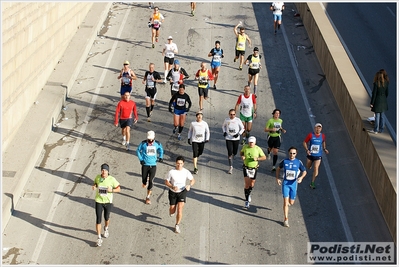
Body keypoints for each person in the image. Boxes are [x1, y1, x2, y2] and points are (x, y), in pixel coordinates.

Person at [276, 146, 307, 227]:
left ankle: (289, 203)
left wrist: (301, 178)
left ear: (296, 154)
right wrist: (277, 178)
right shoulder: (284, 161)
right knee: (285, 202)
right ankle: (286, 219)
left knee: (291, 202)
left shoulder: (298, 162)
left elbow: (304, 171)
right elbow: (278, 168)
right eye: (290, 153)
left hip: (293, 184)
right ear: (288, 153)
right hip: (285, 183)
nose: (292, 155)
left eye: (294, 153)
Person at [92, 163, 121, 247]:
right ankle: (99, 238)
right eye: (102, 170)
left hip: (108, 202)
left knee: (106, 217)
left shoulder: (112, 179)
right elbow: (95, 183)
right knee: (98, 219)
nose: (103, 172)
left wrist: (111, 190)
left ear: (108, 171)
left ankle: (106, 228)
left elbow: (119, 189)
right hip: (99, 201)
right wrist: (94, 186)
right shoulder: (98, 177)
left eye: (105, 170)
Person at [165, 156, 195, 234]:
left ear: (183, 164)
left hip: (182, 192)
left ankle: (177, 225)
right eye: (178, 163)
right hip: (172, 192)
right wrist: (172, 186)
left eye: (181, 163)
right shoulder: (171, 171)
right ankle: (172, 212)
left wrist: (189, 185)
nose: (179, 165)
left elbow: (192, 180)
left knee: (180, 209)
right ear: (176, 163)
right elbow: (166, 182)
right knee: (172, 209)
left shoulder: (186, 172)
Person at [136, 130, 164, 204]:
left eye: (152, 139)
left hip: (153, 165)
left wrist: (161, 157)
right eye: (149, 139)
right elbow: (138, 151)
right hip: (145, 164)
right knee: (144, 180)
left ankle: (148, 197)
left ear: (154, 137)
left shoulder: (157, 144)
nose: (150, 140)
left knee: (151, 181)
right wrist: (141, 159)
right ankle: (144, 182)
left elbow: (161, 149)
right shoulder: (143, 143)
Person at [240, 136, 267, 209]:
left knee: (252, 184)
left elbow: (264, 157)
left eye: (252, 142)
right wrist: (242, 156)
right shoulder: (245, 147)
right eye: (250, 142)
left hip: (254, 169)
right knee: (246, 184)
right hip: (246, 167)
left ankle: (249, 193)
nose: (251, 144)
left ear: (255, 142)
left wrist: (257, 158)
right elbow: (241, 152)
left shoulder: (258, 149)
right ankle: (247, 201)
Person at [303, 123, 329, 189]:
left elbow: (323, 142)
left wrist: (324, 148)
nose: (318, 129)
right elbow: (304, 142)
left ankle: (312, 182)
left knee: (316, 167)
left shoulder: (322, 136)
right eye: (317, 127)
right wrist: (306, 150)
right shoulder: (310, 135)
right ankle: (310, 165)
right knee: (308, 166)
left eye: (319, 128)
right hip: (310, 154)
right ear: (315, 128)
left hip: (318, 155)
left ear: (321, 129)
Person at [222, 109, 245, 174]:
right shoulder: (226, 120)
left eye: (233, 114)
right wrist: (224, 132)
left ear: (235, 114)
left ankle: (233, 155)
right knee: (229, 152)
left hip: (236, 138)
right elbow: (223, 126)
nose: (232, 116)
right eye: (231, 114)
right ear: (229, 114)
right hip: (228, 138)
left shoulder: (237, 120)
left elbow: (243, 128)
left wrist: (238, 134)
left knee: (235, 151)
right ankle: (230, 167)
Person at [368, 69, 389, 134]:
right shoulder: (386, 83)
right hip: (383, 101)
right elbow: (387, 93)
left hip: (377, 101)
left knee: (377, 116)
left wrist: (372, 103)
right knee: (382, 116)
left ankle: (376, 129)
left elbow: (374, 94)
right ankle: (381, 129)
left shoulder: (376, 84)